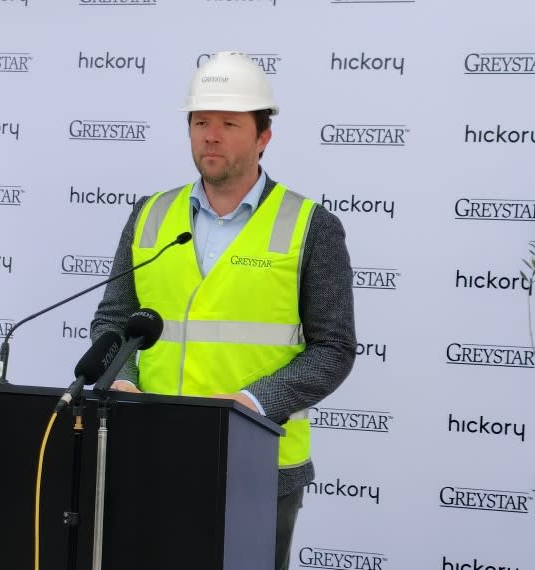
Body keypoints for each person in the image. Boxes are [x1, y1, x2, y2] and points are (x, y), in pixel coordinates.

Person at [90, 51, 356, 570]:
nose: (210, 135)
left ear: (263, 137)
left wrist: (251, 404)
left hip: (259, 463)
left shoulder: (311, 226)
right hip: (150, 452)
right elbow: (113, 321)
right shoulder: (149, 216)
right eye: (200, 122)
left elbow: (334, 348)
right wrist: (117, 376)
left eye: (229, 123)